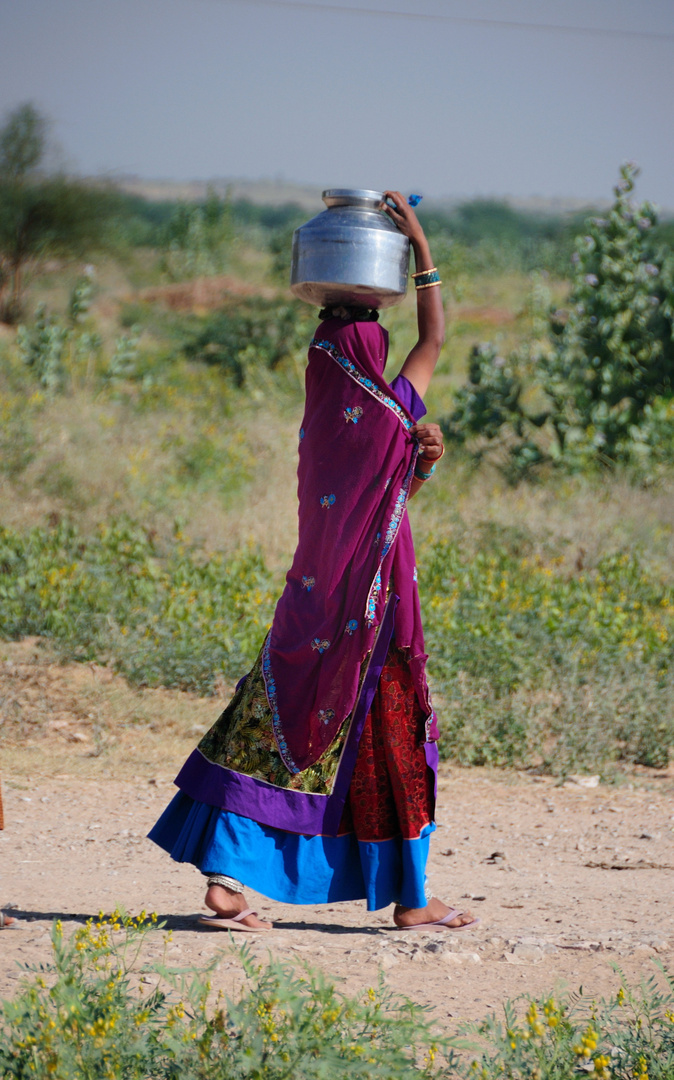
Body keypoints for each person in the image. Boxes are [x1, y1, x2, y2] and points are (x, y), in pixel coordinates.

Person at [148, 191, 477, 933]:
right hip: (379, 608)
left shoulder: (334, 410)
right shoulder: (393, 408)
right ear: (373, 351)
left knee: (268, 720)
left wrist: (419, 462)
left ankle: (229, 878)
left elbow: (384, 495)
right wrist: (420, 245)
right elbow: (434, 343)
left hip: (312, 606)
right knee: (390, 738)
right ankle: (412, 896)